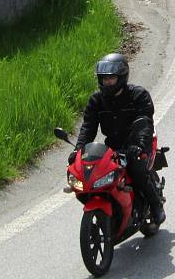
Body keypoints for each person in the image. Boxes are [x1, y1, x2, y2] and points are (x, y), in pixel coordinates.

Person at [70, 53, 166, 226]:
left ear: (121, 77)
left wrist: (139, 146)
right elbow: (88, 127)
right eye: (104, 79)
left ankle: (156, 206)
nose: (107, 82)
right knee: (92, 174)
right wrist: (78, 150)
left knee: (136, 168)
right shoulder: (96, 101)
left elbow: (145, 122)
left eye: (111, 78)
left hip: (138, 142)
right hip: (113, 146)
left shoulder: (139, 96)